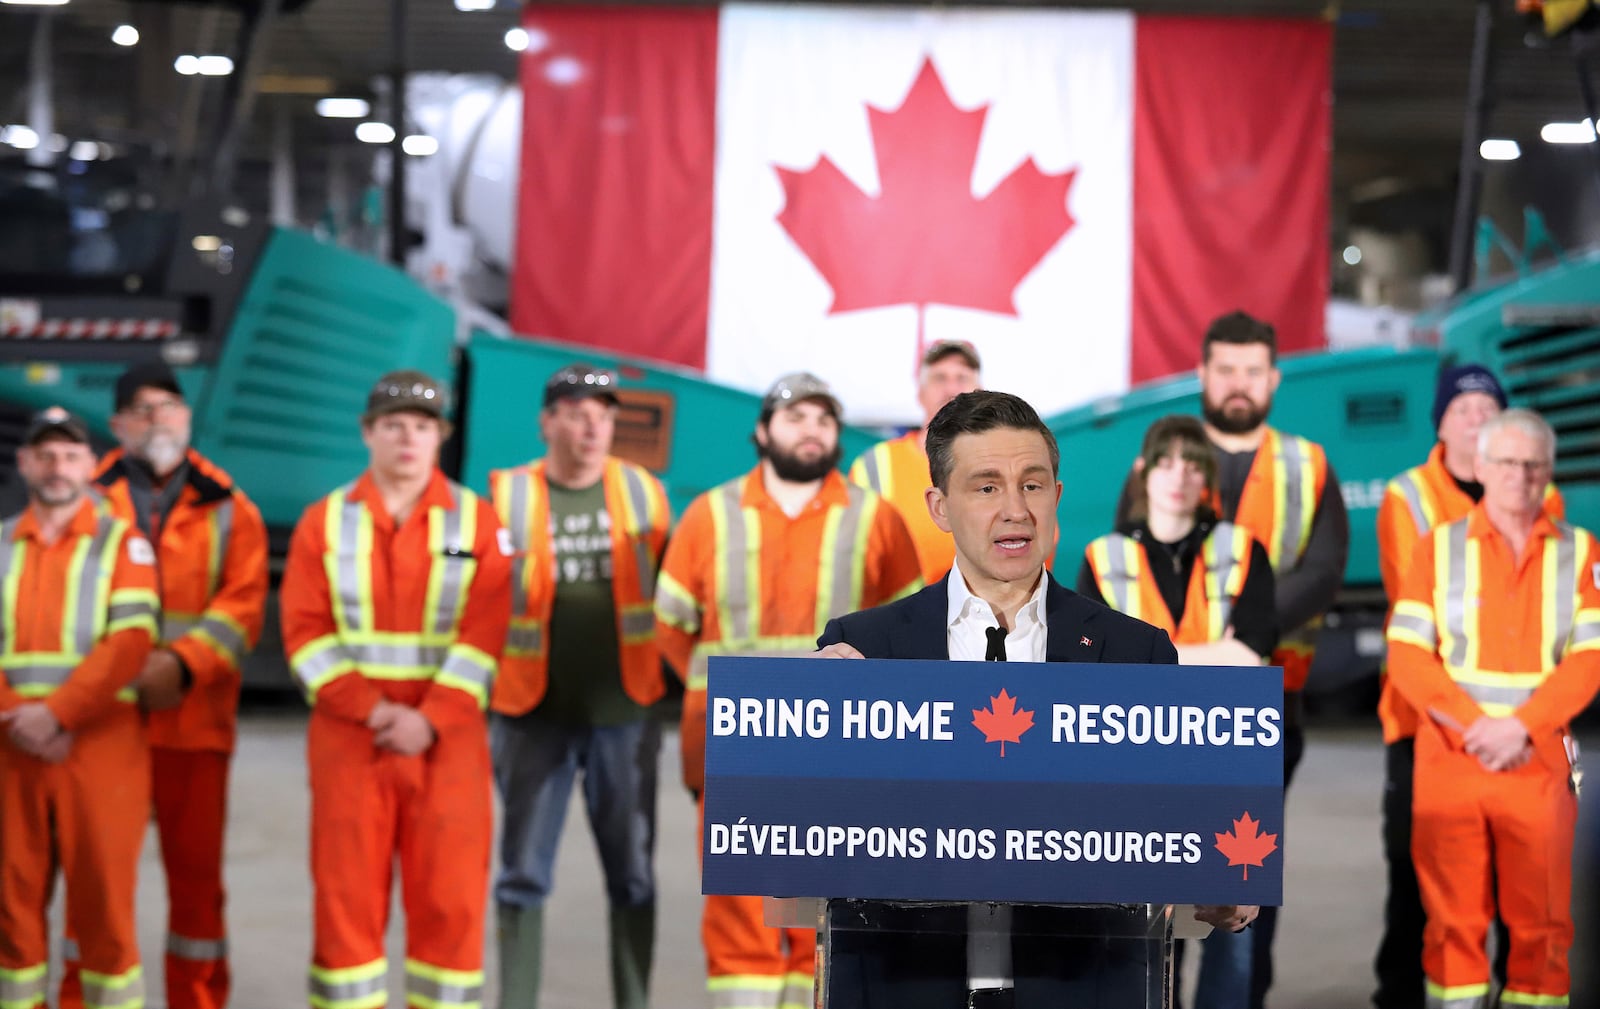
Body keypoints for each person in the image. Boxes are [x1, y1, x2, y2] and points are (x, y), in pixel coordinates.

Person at [817, 391, 1258, 1008]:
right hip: (902, 984)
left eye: (1033, 484)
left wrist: (1221, 880)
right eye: (987, 487)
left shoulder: (1136, 655)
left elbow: (1188, 828)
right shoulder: (860, 650)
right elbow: (807, 836)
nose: (1015, 510)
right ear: (940, 508)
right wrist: (811, 735)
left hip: (1085, 987)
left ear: (1056, 494)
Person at [653, 371, 923, 1009]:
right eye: (797, 417)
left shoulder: (875, 519)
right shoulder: (710, 515)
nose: (812, 430)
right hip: (730, 752)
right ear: (762, 431)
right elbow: (669, 627)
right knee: (738, 911)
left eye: (825, 420)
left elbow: (911, 635)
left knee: (825, 909)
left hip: (843, 755)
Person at [280, 370, 511, 1009]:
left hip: (449, 740)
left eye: (422, 426)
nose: (408, 438)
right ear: (367, 433)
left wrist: (428, 719)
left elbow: (486, 634)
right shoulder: (322, 522)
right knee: (345, 899)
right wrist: (376, 710)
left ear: (441, 437)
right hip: (351, 736)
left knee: (451, 902)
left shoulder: (479, 521)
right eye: (393, 425)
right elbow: (305, 634)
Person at [57, 362, 269, 1009]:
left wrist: (181, 664)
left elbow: (244, 606)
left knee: (197, 888)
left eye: (170, 407)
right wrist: (116, 679)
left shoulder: (232, 507)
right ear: (118, 425)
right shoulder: (83, 503)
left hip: (194, 722)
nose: (160, 421)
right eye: (143, 410)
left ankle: (197, 1000)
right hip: (104, 726)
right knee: (96, 881)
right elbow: (61, 600)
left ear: (188, 416)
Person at [1385, 408, 1599, 1009]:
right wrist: (1479, 726)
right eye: (1506, 461)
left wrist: (1519, 728)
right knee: (1452, 929)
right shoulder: (1436, 550)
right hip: (1453, 760)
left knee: (1544, 928)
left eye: (1533, 464)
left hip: (1538, 766)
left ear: (1549, 472)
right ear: (1480, 466)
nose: (1520, 475)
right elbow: (1407, 658)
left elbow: (1591, 660)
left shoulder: (1583, 553)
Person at [1078, 414, 1277, 1009]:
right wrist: (1209, 659)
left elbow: (1251, 654)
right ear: (1144, 471)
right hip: (1134, 775)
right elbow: (1093, 675)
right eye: (1166, 461)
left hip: (1231, 772)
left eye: (1193, 464)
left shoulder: (1242, 549)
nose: (1179, 475)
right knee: (1144, 932)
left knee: (1233, 932)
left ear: (1207, 476)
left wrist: (1148, 662)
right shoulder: (1103, 556)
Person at [488, 363, 672, 1009]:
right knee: (521, 878)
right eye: (575, 409)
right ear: (547, 421)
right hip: (531, 713)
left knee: (634, 877)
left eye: (603, 411)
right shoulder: (506, 494)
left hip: (625, 713)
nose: (593, 423)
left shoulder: (644, 492)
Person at [0, 407, 160, 1009]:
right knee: (10, 909)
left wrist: (57, 714)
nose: (56, 466)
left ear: (92, 467)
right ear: (24, 463)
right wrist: (20, 716)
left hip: (99, 747)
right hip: (11, 747)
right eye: (44, 454)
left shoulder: (125, 544)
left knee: (104, 912)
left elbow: (131, 642)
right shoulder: (0, 543)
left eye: (70, 455)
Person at [848, 339, 981, 584]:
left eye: (962, 378)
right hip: (896, 619)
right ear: (920, 393)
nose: (951, 389)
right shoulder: (874, 466)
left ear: (980, 391)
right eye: (939, 378)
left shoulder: (1003, 462)